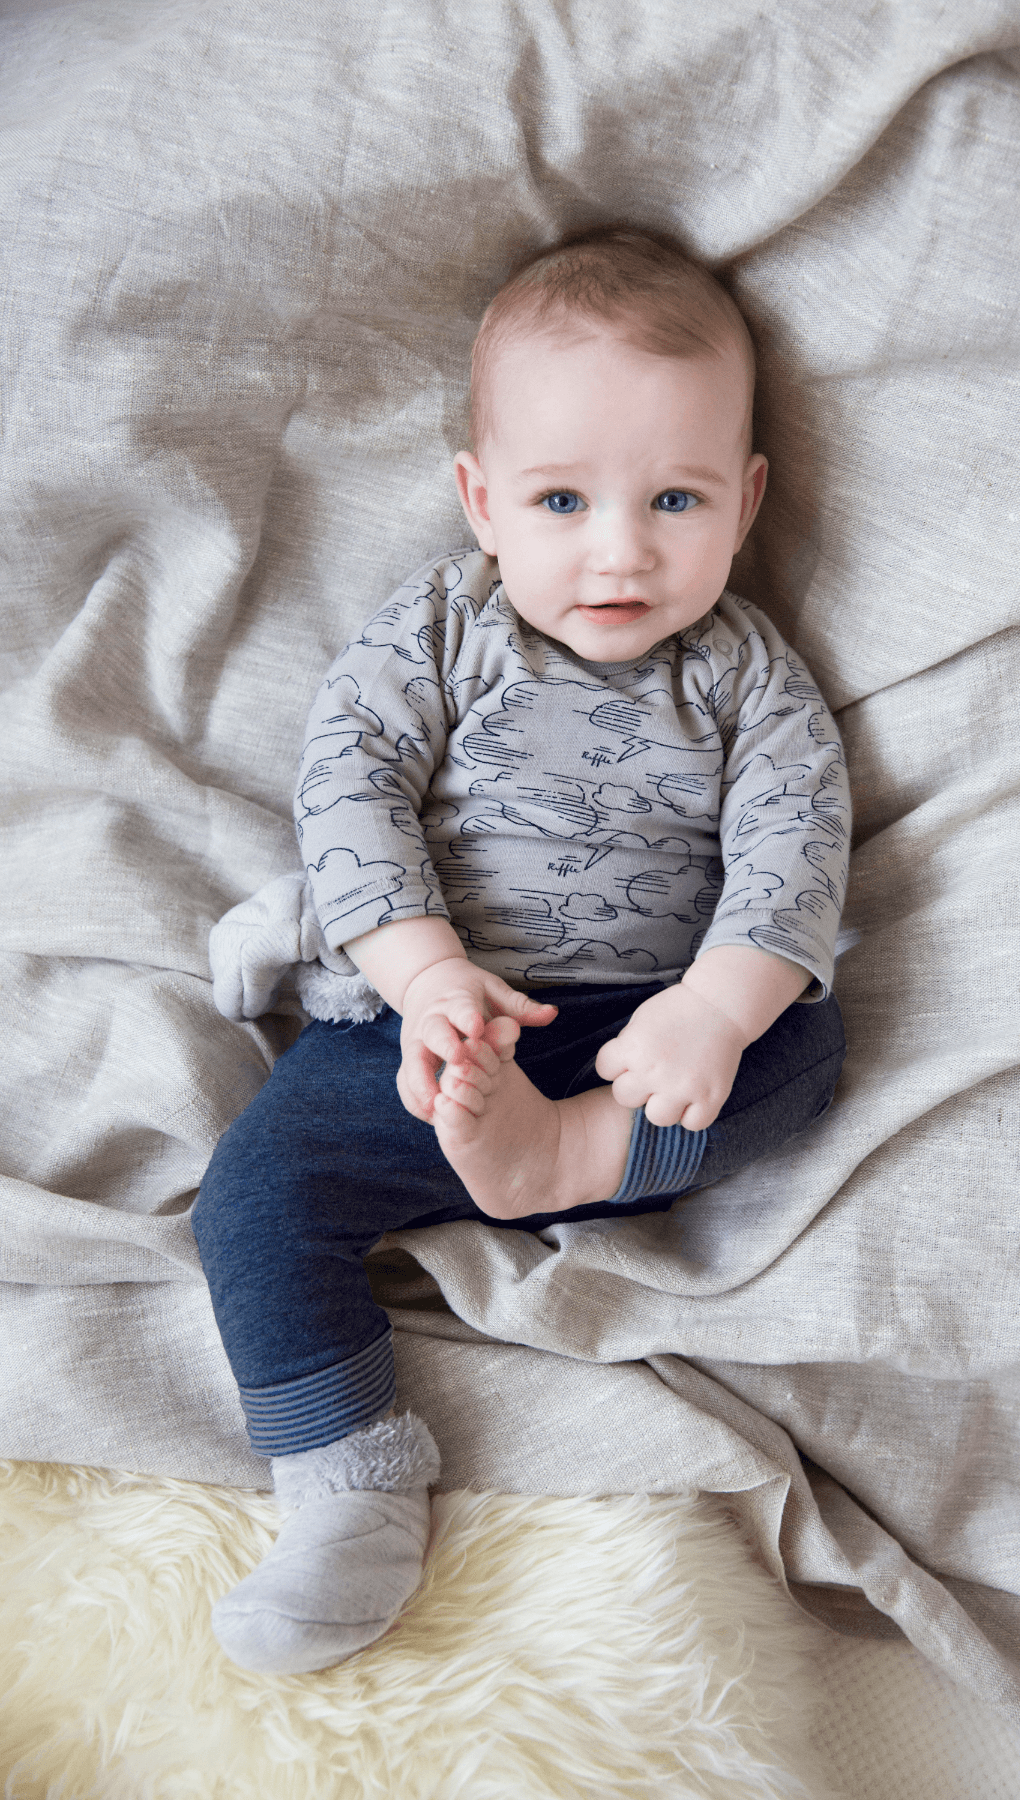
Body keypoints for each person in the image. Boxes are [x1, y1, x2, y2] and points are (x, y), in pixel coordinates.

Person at [191, 228, 851, 1676]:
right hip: (428, 1031)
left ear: (745, 501)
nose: (620, 550)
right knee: (254, 1191)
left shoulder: (748, 679)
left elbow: (795, 858)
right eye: (562, 500)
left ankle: (570, 1156)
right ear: (481, 502)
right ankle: (350, 1480)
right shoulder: (441, 628)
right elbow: (349, 786)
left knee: (808, 1046)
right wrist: (423, 975)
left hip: (641, 1042)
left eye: (673, 499)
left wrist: (717, 1008)